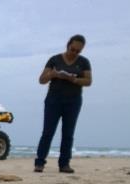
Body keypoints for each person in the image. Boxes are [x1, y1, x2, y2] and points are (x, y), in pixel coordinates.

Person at [34, 34, 92, 173]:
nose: (74, 53)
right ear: (68, 45)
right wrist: (53, 75)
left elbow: (88, 81)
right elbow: (41, 80)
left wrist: (74, 80)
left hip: (73, 101)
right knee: (48, 132)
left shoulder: (84, 62)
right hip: (53, 100)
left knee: (68, 133)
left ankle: (64, 164)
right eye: (73, 49)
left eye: (78, 51)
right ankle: (39, 163)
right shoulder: (54, 59)